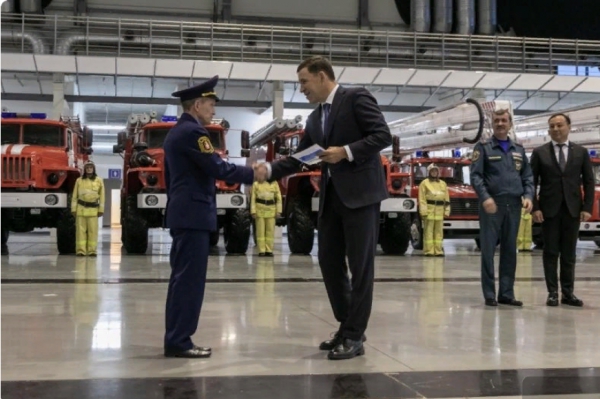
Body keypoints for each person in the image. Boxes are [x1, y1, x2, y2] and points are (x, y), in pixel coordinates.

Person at [263, 56, 392, 360]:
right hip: (332, 199)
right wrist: (268, 171)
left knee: (361, 268)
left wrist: (345, 152)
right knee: (329, 261)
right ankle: (348, 324)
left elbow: (382, 135)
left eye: (304, 82)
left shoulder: (356, 97)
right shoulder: (314, 118)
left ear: (322, 77)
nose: (302, 89)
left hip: (361, 196)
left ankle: (354, 335)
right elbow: (302, 158)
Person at [163, 75, 255, 358]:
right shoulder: (194, 134)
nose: (214, 111)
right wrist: (256, 172)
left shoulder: (177, 132)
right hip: (193, 216)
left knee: (182, 280)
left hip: (184, 214)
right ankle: (179, 341)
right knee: (189, 282)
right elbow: (220, 169)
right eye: (211, 104)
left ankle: (177, 338)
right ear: (198, 104)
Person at [470, 109, 534, 307]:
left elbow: (528, 177)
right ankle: (489, 293)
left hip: (513, 204)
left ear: (510, 124)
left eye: (503, 120)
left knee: (509, 250)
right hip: (492, 205)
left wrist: (529, 196)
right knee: (488, 250)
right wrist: (485, 197)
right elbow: (476, 176)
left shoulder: (519, 150)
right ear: (492, 124)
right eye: (496, 120)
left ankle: (506, 293)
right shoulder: (483, 148)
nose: (500, 123)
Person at [530, 113, 594, 307]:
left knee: (569, 253)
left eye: (559, 125)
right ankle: (552, 293)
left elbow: (589, 181)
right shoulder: (540, 152)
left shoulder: (581, 152)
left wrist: (587, 207)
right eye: (552, 126)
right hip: (549, 210)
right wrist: (535, 207)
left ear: (568, 127)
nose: (556, 129)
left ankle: (568, 293)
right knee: (550, 252)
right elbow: (531, 182)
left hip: (572, 209)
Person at [71, 161, 104, 256]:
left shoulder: (99, 181)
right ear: (84, 169)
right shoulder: (79, 180)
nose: (89, 169)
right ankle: (81, 251)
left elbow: (102, 197)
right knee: (80, 232)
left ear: (94, 169)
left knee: (93, 232)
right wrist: (73, 209)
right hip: (81, 210)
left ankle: (92, 251)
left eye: (91, 167)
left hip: (93, 211)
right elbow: (74, 196)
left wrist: (101, 210)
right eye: (87, 167)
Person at [418, 163, 450, 256]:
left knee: (439, 232)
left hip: (439, 211)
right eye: (432, 171)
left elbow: (447, 199)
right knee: (428, 232)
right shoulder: (424, 183)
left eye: (436, 171)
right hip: (429, 211)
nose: (434, 172)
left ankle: (438, 250)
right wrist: (423, 211)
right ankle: (429, 251)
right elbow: (422, 199)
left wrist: (447, 210)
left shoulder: (443, 184)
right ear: (429, 172)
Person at [250, 164, 282, 256]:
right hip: (260, 210)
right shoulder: (256, 184)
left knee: (270, 232)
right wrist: (253, 211)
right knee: (260, 232)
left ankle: (269, 250)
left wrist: (278, 211)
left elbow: (278, 198)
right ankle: (261, 250)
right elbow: (253, 199)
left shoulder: (274, 183)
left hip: (271, 210)